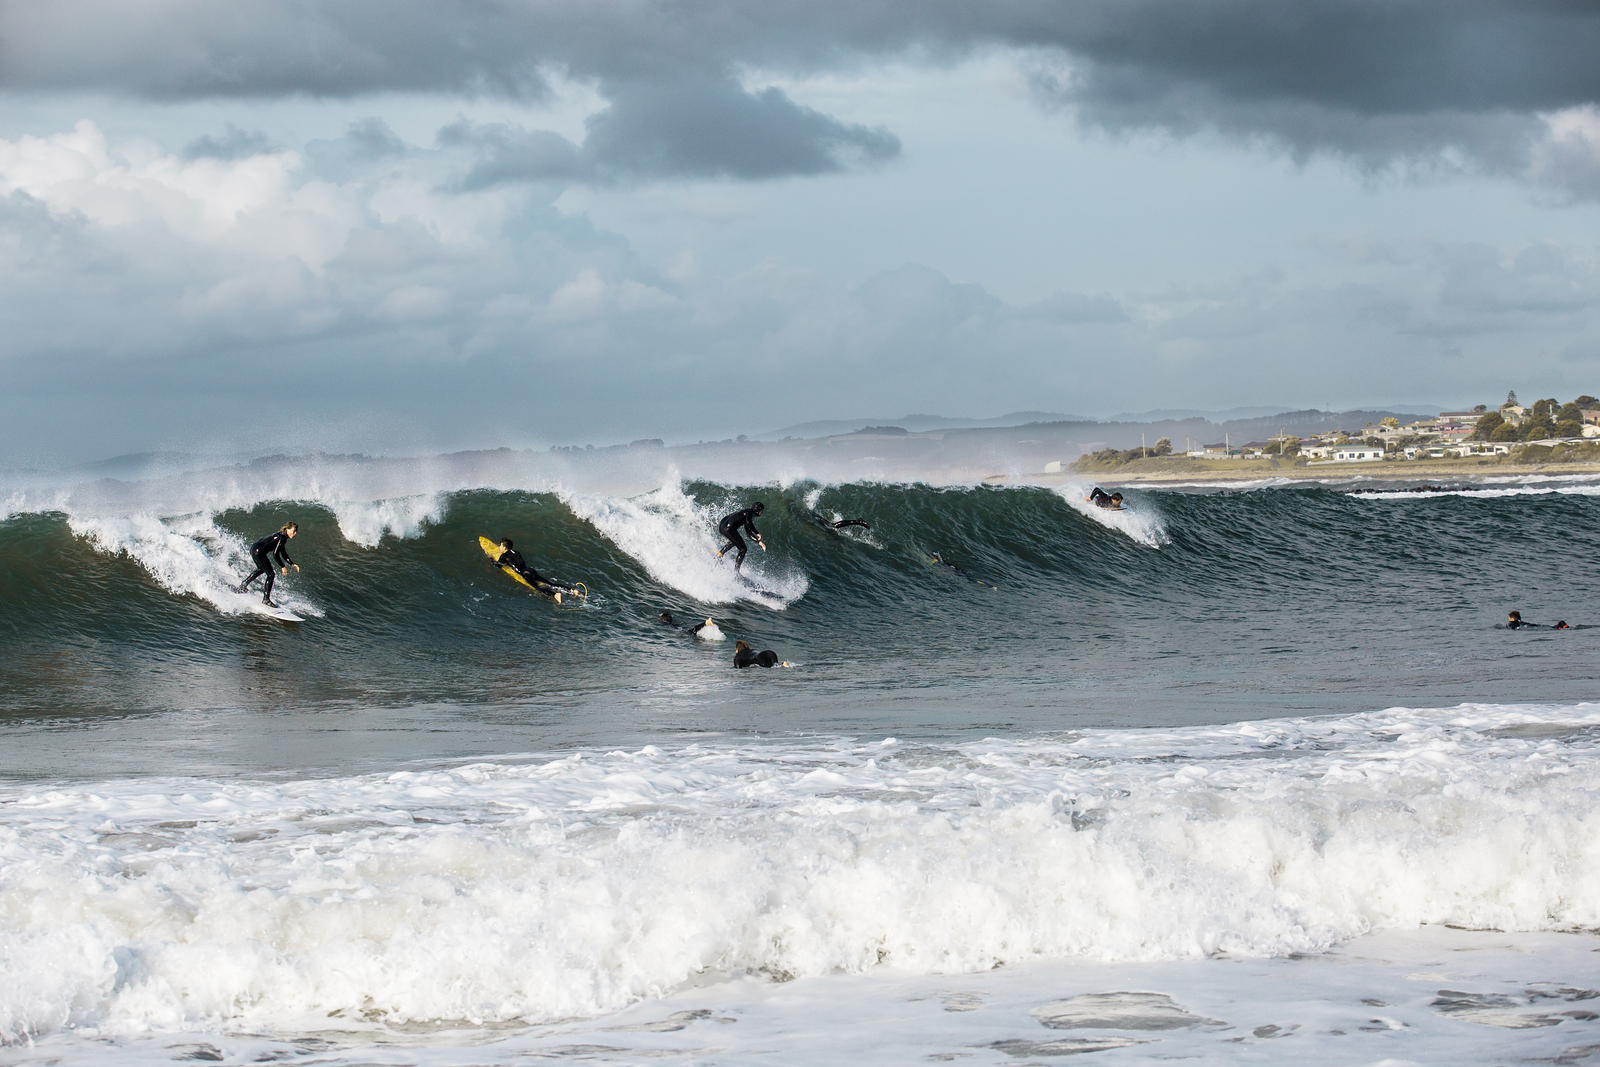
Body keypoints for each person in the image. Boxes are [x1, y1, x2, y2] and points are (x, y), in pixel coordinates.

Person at [494, 538, 575, 602]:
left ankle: (555, 595)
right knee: (551, 584)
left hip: (525, 573)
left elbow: (499, 565)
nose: (499, 547)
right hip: (530, 570)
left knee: (537, 588)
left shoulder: (504, 555)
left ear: (504, 547)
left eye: (500, 546)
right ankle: (571, 590)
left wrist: (491, 559)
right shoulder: (517, 552)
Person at [239, 522, 299, 607]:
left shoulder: (280, 536)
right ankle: (266, 599)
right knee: (271, 574)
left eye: (296, 531)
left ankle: (243, 585)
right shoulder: (282, 538)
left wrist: (292, 564)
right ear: (287, 529)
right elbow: (275, 554)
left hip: (254, 549)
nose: (295, 533)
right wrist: (283, 566)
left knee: (261, 569)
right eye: (293, 531)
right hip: (259, 552)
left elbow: (283, 552)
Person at [717, 502, 766, 572]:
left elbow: (748, 533)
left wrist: (759, 542)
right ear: (758, 510)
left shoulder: (746, 514)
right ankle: (736, 571)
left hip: (722, 526)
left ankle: (720, 554)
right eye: (762, 511)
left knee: (735, 541)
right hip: (728, 528)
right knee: (743, 549)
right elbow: (749, 523)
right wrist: (757, 532)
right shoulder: (750, 513)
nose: (762, 512)